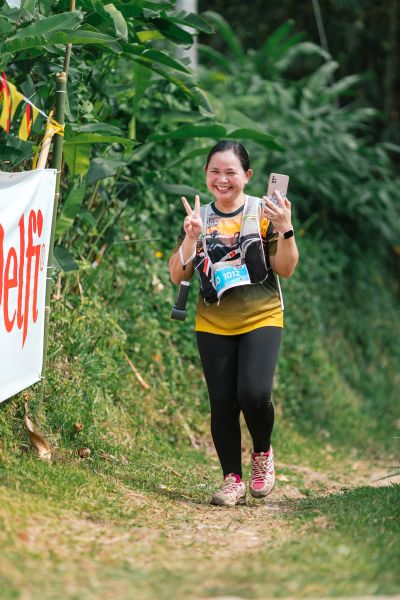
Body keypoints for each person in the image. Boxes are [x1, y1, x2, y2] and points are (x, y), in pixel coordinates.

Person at [169, 140, 299, 506]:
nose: (222, 179)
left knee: (254, 394)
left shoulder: (263, 212)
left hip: (262, 315)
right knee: (223, 403)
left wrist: (285, 228)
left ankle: (262, 452)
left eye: (231, 172)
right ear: (206, 174)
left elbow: (285, 268)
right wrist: (191, 238)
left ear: (247, 175)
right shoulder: (199, 217)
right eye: (215, 171)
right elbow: (178, 273)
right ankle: (232, 479)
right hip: (213, 320)